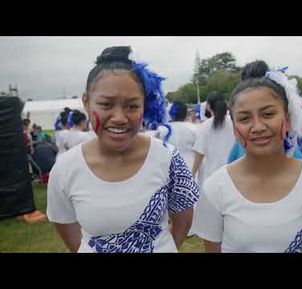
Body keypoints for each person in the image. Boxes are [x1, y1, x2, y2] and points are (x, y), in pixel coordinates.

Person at [47, 46, 200, 253]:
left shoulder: (168, 158)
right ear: (86, 102)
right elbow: (67, 228)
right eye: (106, 104)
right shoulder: (65, 168)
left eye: (132, 106)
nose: (119, 117)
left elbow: (183, 220)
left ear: (144, 105)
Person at [192, 67, 302, 253]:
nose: (257, 127)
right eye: (245, 118)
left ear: (287, 119)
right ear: (234, 129)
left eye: (268, 114)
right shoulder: (214, 188)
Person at [192, 92, 235, 189]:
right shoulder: (234, 123)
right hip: (233, 174)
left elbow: (199, 154)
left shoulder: (204, 127)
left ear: (208, 106)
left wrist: (193, 173)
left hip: (210, 177)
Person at [158, 101, 197, 171]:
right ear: (186, 114)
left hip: (168, 168)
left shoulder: (163, 129)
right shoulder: (194, 128)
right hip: (189, 168)